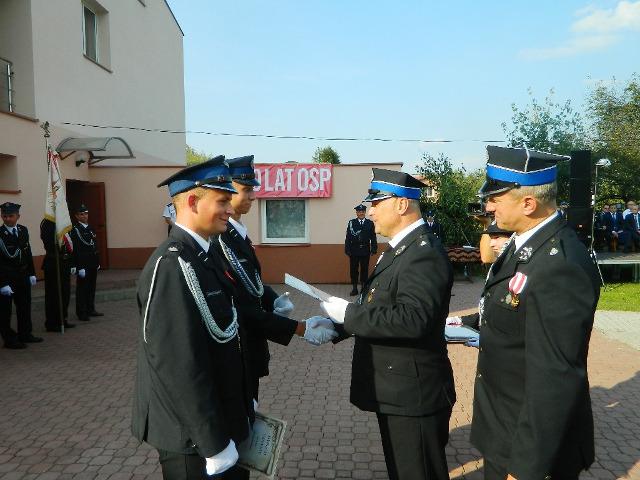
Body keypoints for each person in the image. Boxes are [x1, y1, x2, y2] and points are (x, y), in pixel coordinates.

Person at [471, 145, 600, 479]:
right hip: (505, 431)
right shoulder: (525, 244)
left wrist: (525, 469)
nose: (488, 206)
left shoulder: (560, 265)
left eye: (495, 198)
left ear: (528, 204)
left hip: (530, 450)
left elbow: (554, 379)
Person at [321, 168, 456, 480]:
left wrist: (349, 316)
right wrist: (337, 326)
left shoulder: (423, 253)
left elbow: (413, 319)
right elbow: (379, 306)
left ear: (402, 204)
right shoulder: (401, 248)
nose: (370, 212)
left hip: (413, 395)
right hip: (398, 391)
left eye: (377, 203)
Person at [131, 156, 254, 479]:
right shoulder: (172, 265)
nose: (230, 210)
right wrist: (212, 442)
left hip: (220, 417)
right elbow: (177, 364)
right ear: (192, 202)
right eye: (222, 201)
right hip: (192, 438)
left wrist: (242, 403)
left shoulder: (203, 254)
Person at [212, 155, 336, 400]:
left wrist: (271, 299)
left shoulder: (237, 235)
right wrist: (300, 329)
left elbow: (250, 282)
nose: (253, 196)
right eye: (246, 190)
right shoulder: (220, 240)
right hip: (238, 349)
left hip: (250, 346)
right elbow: (240, 304)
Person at [0, 202, 42, 349]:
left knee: (24, 306)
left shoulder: (23, 230)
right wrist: (2, 283)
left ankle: (25, 334)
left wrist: (32, 273)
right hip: (7, 277)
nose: (7, 219)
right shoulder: (0, 234)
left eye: (10, 216)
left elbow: (27, 252)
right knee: (4, 311)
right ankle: (9, 339)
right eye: (4, 216)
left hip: (23, 275)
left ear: (18, 216)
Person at [40, 218, 76, 332]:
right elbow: (48, 242)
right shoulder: (47, 223)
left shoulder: (64, 221)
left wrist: (72, 262)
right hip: (53, 263)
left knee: (65, 293)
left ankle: (62, 319)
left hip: (64, 262)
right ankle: (52, 322)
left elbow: (70, 242)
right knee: (53, 294)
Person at [70, 204, 102, 322]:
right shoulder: (75, 230)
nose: (84, 216)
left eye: (86, 214)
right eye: (82, 214)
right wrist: (78, 266)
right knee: (82, 289)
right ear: (77, 216)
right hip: (83, 264)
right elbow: (75, 250)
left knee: (91, 287)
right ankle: (81, 312)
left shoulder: (90, 228)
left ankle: (90, 309)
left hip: (92, 262)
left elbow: (94, 246)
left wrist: (97, 262)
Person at [344, 204, 377, 295]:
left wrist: (374, 248)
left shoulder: (369, 223)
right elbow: (348, 237)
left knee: (364, 270)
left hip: (365, 250)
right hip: (354, 250)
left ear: (365, 212)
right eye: (359, 212)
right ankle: (354, 288)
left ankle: (363, 287)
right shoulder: (352, 223)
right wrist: (347, 249)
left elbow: (373, 237)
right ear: (356, 213)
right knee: (353, 270)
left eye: (362, 211)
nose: (361, 213)